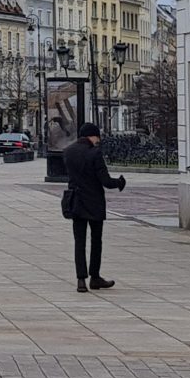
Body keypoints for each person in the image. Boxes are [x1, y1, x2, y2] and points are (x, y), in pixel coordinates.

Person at [64, 121, 126, 293]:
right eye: (97, 137)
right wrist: (120, 182)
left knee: (79, 242)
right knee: (96, 241)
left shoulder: (68, 152)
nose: (98, 140)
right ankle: (95, 277)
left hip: (76, 201)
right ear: (91, 136)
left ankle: (81, 280)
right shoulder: (94, 153)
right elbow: (105, 181)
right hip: (94, 203)